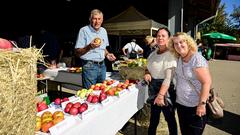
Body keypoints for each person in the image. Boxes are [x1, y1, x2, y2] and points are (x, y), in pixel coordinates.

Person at [168, 32, 212, 135]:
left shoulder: (196, 59)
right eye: (175, 43)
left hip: (195, 107)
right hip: (181, 105)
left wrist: (201, 105)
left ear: (188, 43)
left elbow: (207, 82)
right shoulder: (179, 58)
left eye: (181, 42)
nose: (179, 45)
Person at [144, 27, 178, 135]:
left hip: (166, 89)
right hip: (153, 87)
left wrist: (161, 95)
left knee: (170, 118)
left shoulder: (171, 54)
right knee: (154, 118)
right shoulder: (153, 53)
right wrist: (147, 73)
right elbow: (147, 67)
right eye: (158, 35)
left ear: (169, 39)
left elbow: (168, 78)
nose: (160, 38)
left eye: (163, 36)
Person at [75, 9, 116, 89]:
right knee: (90, 93)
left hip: (102, 66)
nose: (97, 22)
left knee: (101, 91)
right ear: (90, 19)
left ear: (102, 20)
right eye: (94, 19)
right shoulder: (84, 30)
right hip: (89, 66)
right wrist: (90, 47)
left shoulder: (104, 31)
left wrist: (107, 54)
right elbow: (77, 52)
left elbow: (103, 48)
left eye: (99, 19)